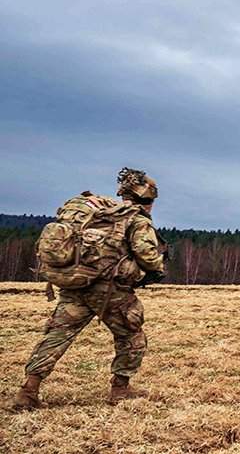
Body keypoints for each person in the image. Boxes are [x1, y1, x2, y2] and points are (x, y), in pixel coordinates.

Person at [11, 168, 165, 409]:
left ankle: (28, 391)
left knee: (57, 336)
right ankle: (120, 389)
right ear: (150, 198)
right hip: (109, 291)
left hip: (76, 283)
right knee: (131, 336)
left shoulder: (101, 214)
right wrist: (157, 266)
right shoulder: (136, 219)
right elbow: (147, 255)